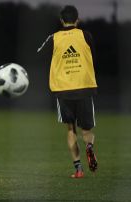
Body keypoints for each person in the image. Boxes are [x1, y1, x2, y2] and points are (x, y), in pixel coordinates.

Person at [38, 5, 98, 178]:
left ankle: (78, 170)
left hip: (63, 89)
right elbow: (93, 56)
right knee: (86, 132)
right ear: (77, 20)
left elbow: (39, 55)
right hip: (84, 87)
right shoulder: (86, 35)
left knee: (71, 130)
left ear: (61, 20)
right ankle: (89, 146)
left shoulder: (54, 38)